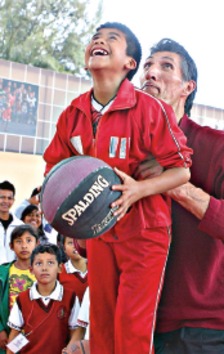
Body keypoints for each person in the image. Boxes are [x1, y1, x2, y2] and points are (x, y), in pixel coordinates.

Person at [43, 23, 192, 354]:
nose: (99, 41)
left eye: (112, 39)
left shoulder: (151, 109)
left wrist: (138, 189)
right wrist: (66, 218)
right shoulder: (72, 114)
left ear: (129, 64)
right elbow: (54, 171)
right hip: (98, 231)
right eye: (96, 37)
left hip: (145, 232)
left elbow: (181, 171)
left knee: (132, 331)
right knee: (103, 330)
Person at [136, 38, 224, 353]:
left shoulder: (221, 147)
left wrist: (178, 186)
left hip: (198, 327)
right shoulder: (126, 151)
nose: (151, 73)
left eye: (166, 66)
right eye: (147, 66)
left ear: (188, 87)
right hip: (134, 317)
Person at [6, 243, 80, 354]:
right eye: (39, 263)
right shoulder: (22, 299)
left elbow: (76, 330)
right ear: (31, 270)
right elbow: (14, 333)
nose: (44, 268)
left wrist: (70, 350)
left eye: (50, 263)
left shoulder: (70, 297)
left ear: (60, 268)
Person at [0, 225, 38, 354]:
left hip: (35, 333)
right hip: (7, 333)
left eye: (29, 240)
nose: (24, 246)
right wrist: (0, 330)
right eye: (18, 241)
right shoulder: (3, 273)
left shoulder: (43, 273)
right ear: (11, 246)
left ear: (37, 244)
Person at [58, 236, 88, 303]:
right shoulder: (59, 272)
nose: (75, 246)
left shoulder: (95, 268)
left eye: (79, 241)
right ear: (64, 248)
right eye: (70, 243)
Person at [0, 180, 23, 265]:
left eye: (9, 198)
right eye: (2, 197)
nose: (6, 201)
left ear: (13, 200)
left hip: (13, 274)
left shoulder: (20, 226)